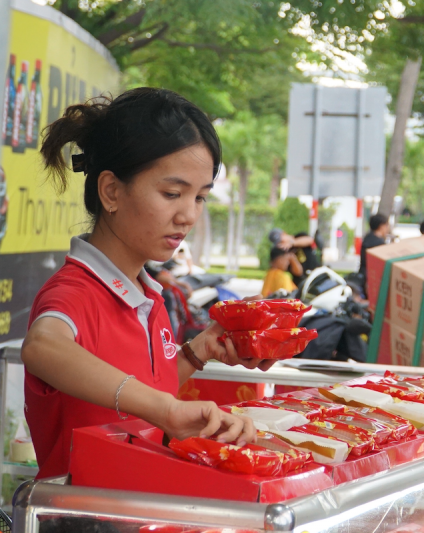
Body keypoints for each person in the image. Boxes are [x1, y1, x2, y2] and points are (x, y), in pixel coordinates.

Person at [22, 88, 273, 479]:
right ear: (111, 191)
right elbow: (42, 346)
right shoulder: (74, 291)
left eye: (201, 198)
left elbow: (135, 390)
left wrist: (197, 352)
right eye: (172, 193)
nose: (188, 215)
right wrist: (168, 410)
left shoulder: (147, 295)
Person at [358, 214, 391, 295]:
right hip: (371, 277)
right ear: (381, 226)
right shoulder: (378, 243)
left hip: (364, 274)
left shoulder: (368, 238)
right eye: (387, 225)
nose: (388, 229)